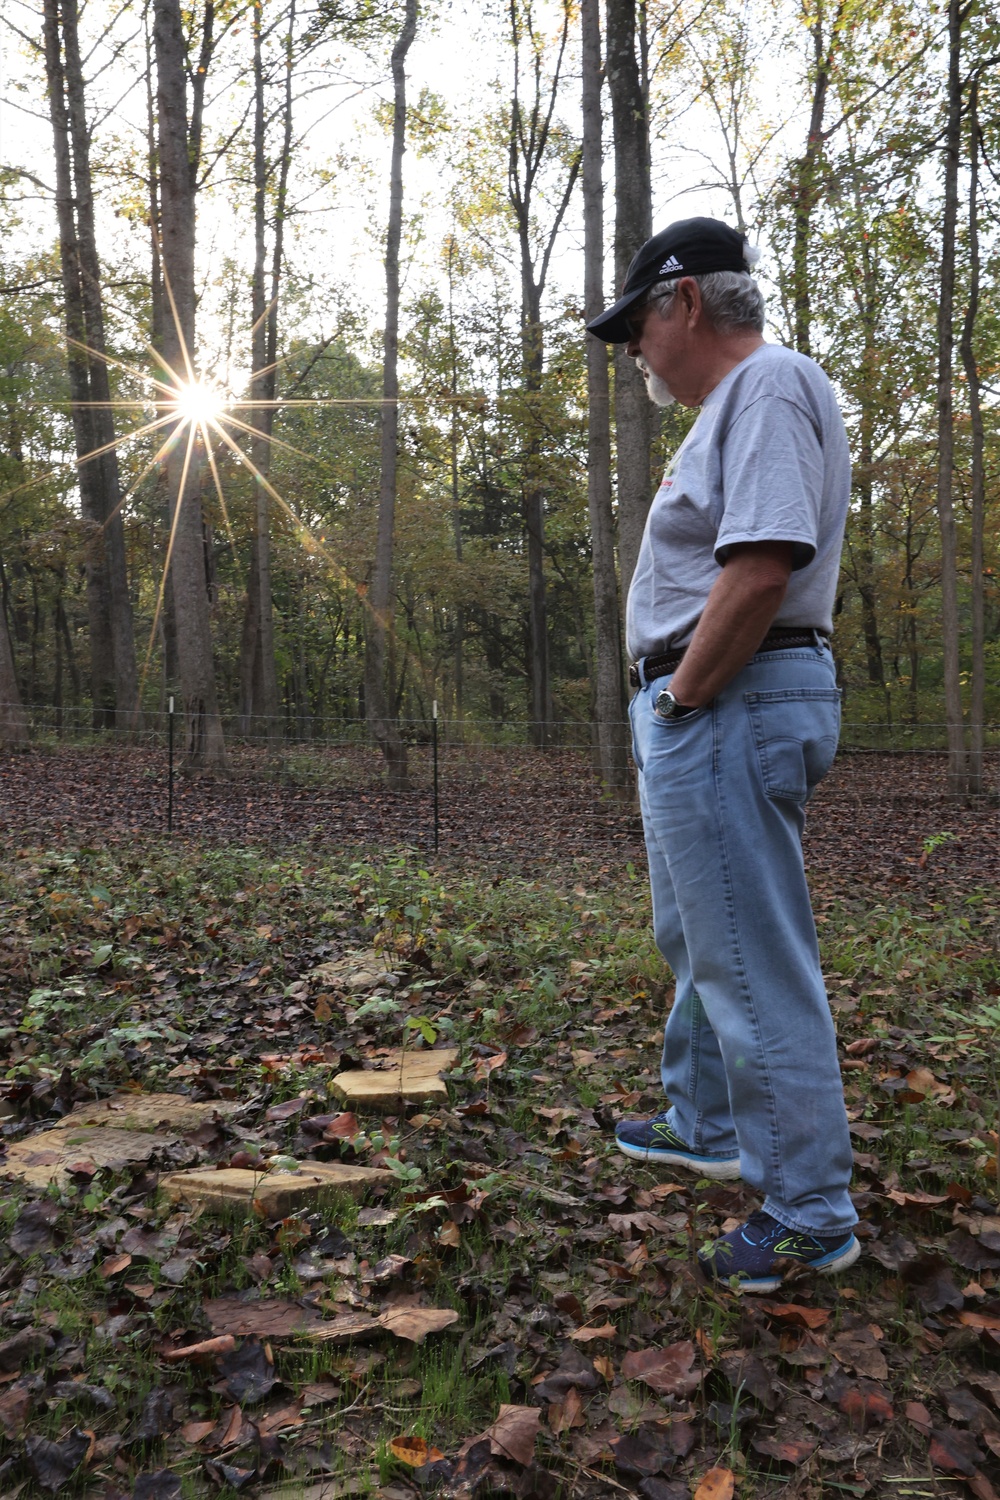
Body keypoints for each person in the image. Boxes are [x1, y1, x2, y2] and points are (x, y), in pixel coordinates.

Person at [587, 217, 860, 1293]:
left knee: (749, 958)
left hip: (729, 698)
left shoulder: (769, 385)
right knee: (698, 936)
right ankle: (703, 1121)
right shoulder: (734, 409)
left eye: (637, 329)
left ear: (685, 303)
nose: (635, 354)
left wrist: (686, 698)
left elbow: (759, 568)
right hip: (712, 703)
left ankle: (807, 1210)